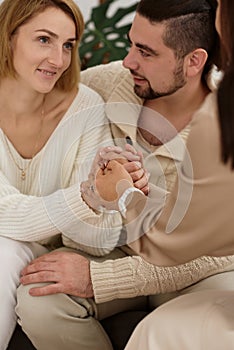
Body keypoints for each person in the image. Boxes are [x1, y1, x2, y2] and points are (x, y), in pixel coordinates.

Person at [16, 1, 234, 349]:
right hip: (115, 248)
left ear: (194, 61)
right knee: (39, 296)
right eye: (132, 44)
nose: (128, 60)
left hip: (201, 269)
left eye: (146, 53)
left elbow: (217, 250)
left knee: (204, 326)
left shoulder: (224, 121)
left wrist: (100, 279)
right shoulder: (107, 83)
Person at [0, 0, 145, 349]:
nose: (58, 60)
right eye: (44, 40)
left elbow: (96, 242)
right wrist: (83, 197)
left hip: (50, 257)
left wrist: (101, 195)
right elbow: (5, 214)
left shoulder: (86, 107)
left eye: (68, 45)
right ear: (8, 37)